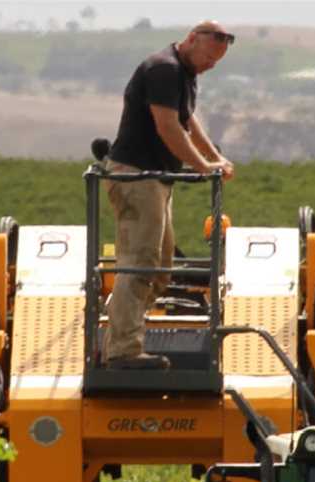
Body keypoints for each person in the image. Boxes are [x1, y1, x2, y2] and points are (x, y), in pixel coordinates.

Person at [102, 21, 236, 370]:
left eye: (217, 62)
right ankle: (122, 350)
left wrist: (214, 158)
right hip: (136, 176)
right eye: (209, 56)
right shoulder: (164, 69)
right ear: (192, 39)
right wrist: (204, 166)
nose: (211, 65)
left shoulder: (184, 73)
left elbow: (187, 120)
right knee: (141, 261)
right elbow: (167, 126)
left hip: (157, 179)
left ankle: (121, 329)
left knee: (160, 269)